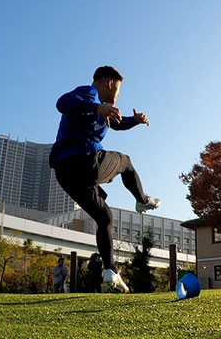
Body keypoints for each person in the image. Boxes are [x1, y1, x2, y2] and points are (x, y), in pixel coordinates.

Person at [49, 65, 161, 293]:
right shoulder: (86, 94)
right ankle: (142, 200)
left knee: (104, 217)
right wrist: (96, 108)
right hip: (81, 161)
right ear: (110, 84)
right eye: (118, 90)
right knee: (126, 162)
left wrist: (136, 120)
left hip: (67, 175)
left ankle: (111, 273)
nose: (118, 96)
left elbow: (119, 123)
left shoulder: (106, 110)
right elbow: (61, 103)